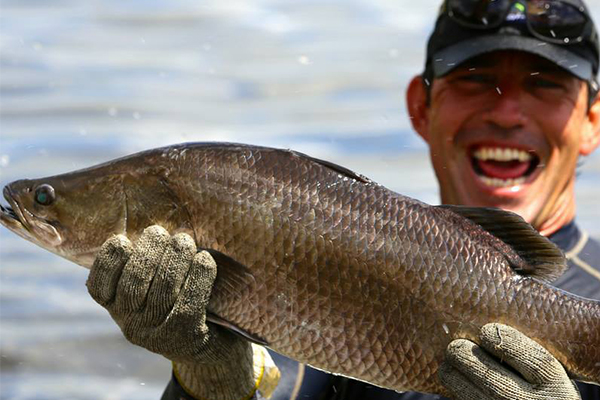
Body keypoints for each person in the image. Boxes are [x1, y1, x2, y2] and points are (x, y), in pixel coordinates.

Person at [85, 0, 600, 399]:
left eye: (544, 85)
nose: (508, 112)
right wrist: (209, 372)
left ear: (592, 121)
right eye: (475, 81)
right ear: (421, 108)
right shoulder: (338, 262)